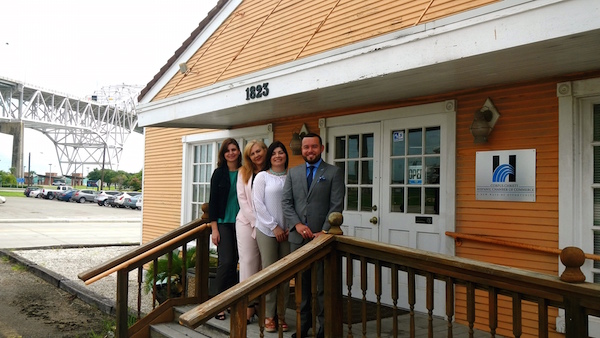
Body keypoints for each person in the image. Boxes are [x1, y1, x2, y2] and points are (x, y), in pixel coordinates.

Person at [281, 133, 345, 338]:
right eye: (306, 147)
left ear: (322, 148)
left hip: (322, 238)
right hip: (298, 239)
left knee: (322, 286)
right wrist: (297, 224)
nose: (310, 150)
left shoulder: (334, 172)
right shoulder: (293, 173)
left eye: (314, 147)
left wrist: (325, 230)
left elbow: (337, 204)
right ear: (302, 149)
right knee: (302, 284)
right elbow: (286, 203)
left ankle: (323, 328)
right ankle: (303, 325)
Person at [253, 141, 291, 333]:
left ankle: (282, 314)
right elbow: (258, 205)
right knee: (270, 272)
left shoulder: (291, 177)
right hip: (267, 231)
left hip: (288, 231)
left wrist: (288, 226)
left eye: (281, 152)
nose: (278, 156)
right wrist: (274, 226)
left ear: (286, 155)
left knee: (285, 275)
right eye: (274, 153)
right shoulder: (262, 177)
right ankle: (269, 315)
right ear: (270, 157)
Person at [209, 138, 242, 320]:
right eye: (228, 150)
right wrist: (214, 228)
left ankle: (231, 300)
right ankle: (218, 303)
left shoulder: (245, 172)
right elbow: (213, 202)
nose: (231, 153)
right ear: (223, 154)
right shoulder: (219, 174)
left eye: (234, 149)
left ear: (238, 151)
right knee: (227, 261)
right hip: (224, 222)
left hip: (242, 222)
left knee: (238, 261)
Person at [235, 139, 267, 323]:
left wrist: (265, 224)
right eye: (252, 153)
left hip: (268, 225)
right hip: (247, 222)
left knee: (264, 264)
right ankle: (247, 305)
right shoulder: (243, 172)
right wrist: (256, 222)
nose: (257, 155)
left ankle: (261, 305)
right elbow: (242, 199)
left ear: (265, 151)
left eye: (259, 151)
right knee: (248, 263)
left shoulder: (272, 171)